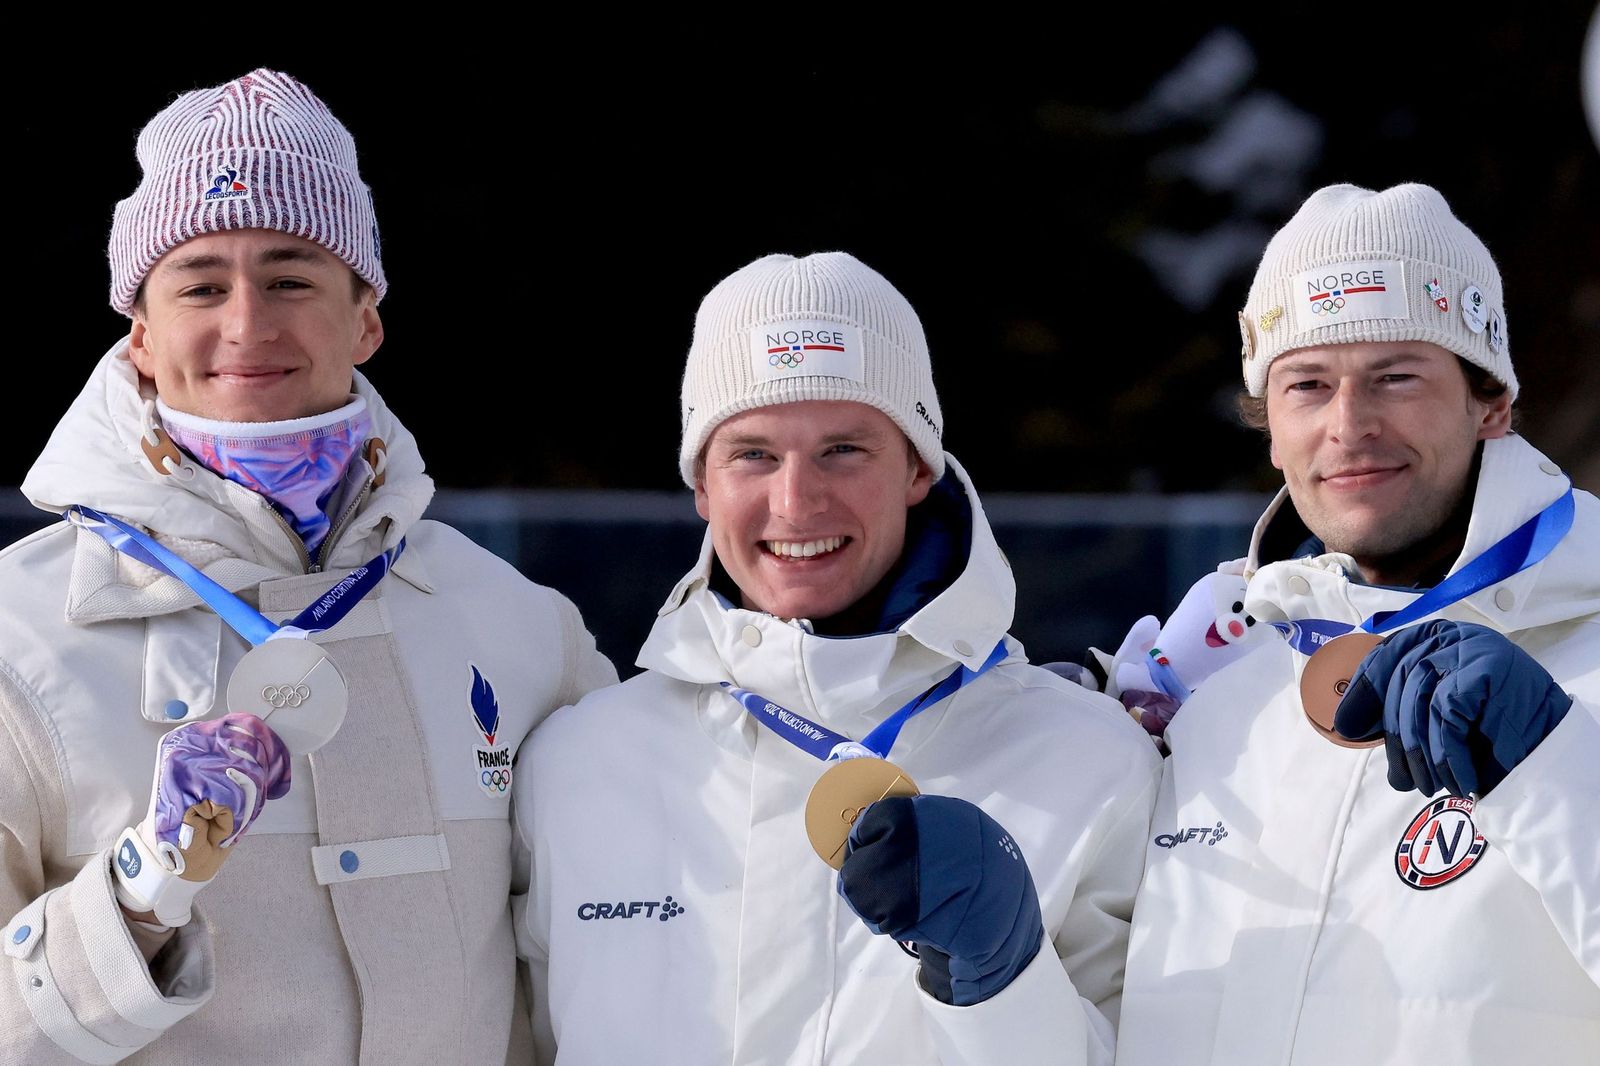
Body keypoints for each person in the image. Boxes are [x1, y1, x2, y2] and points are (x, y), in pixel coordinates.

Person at [0, 70, 616, 1064]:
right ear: (143, 337)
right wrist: (136, 894)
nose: (247, 323)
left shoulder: (519, 626)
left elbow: (637, 948)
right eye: (202, 283)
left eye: (290, 277)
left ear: (366, 317)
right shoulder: (19, 643)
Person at [513, 252, 1162, 1064]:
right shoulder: (578, 762)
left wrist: (1003, 983)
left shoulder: (1086, 757)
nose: (796, 501)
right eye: (752, 454)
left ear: (920, 466)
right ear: (702, 486)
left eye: (844, 450)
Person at [1115, 184, 1599, 1065]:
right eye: (1307, 385)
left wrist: (1558, 768)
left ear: (1490, 401)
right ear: (1272, 431)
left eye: (1396, 377)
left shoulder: (1586, 654)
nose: (1349, 426)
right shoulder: (1205, 690)